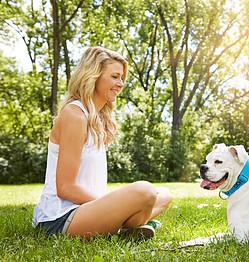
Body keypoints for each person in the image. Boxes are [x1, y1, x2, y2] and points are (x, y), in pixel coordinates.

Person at [32, 46, 172, 239]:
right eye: (114, 77)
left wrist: (114, 205)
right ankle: (128, 226)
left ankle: (126, 227)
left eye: (122, 78)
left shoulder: (97, 118)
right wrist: (114, 204)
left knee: (163, 194)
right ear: (93, 76)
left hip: (88, 211)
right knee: (145, 191)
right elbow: (65, 188)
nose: (120, 83)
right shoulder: (75, 115)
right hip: (60, 218)